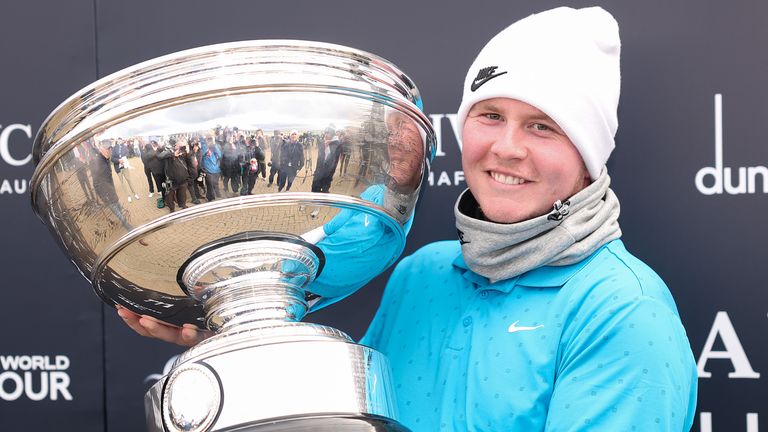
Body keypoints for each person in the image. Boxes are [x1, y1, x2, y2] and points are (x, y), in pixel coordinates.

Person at [116, 7, 697, 431]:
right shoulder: (424, 275)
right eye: (491, 115)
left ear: (588, 157)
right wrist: (233, 334)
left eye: (542, 126)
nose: (507, 148)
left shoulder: (622, 312)